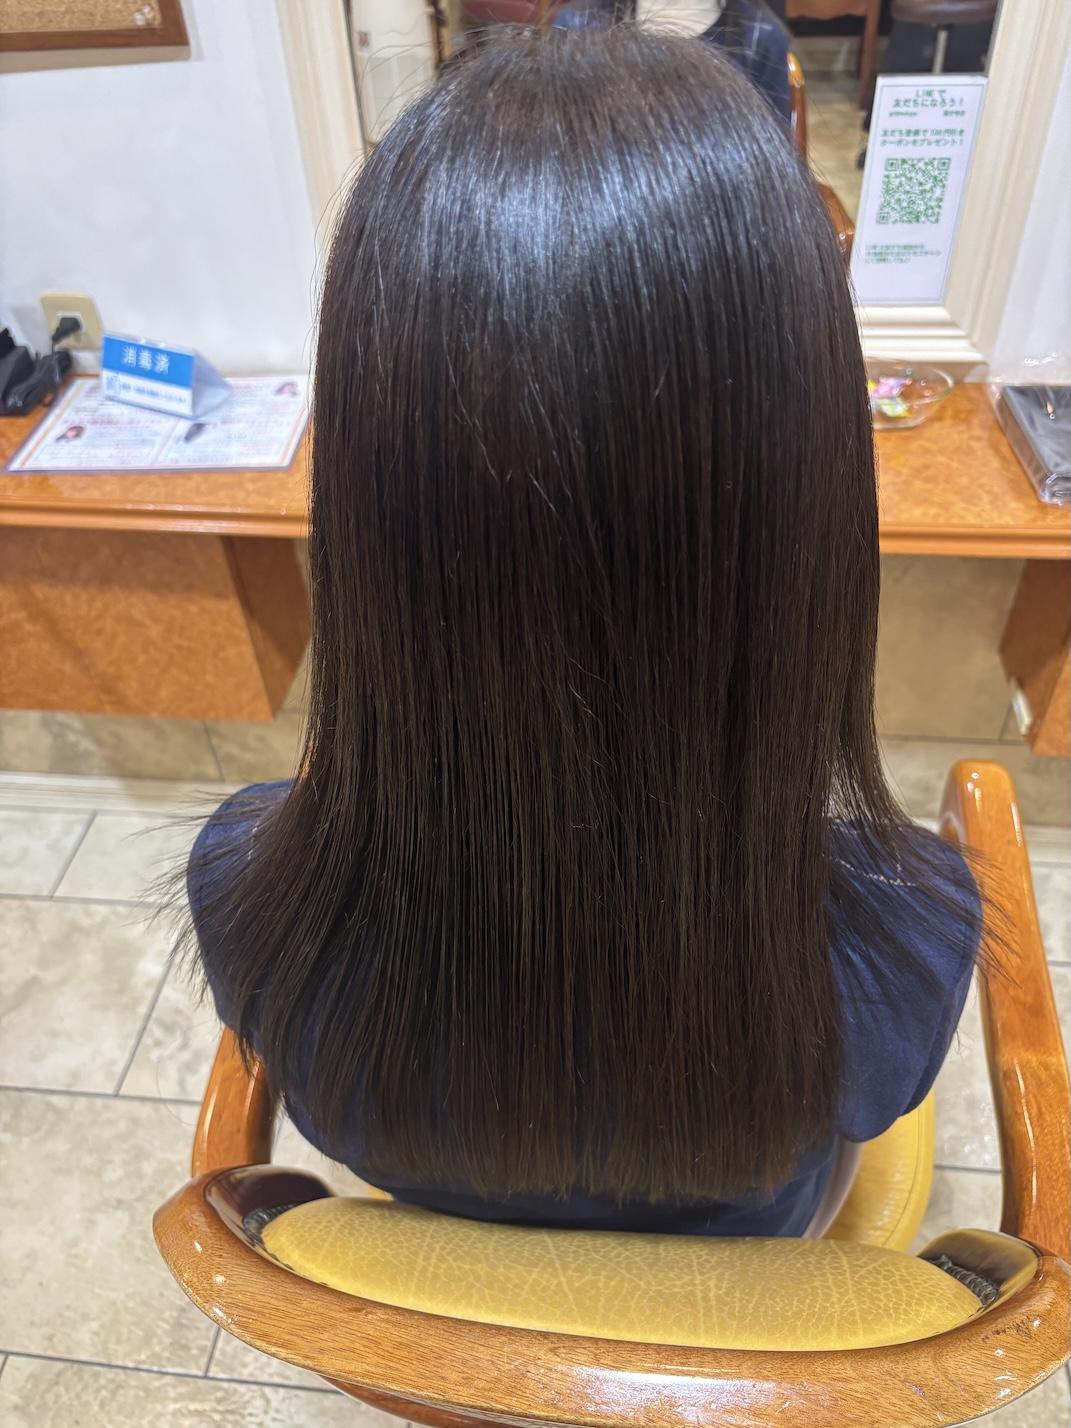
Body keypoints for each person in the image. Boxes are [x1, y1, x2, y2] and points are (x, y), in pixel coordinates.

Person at [186, 26, 981, 1237]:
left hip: (438, 1267)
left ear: (375, 493)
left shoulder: (247, 898)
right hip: (745, 1278)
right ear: (804, 497)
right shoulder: (906, 947)